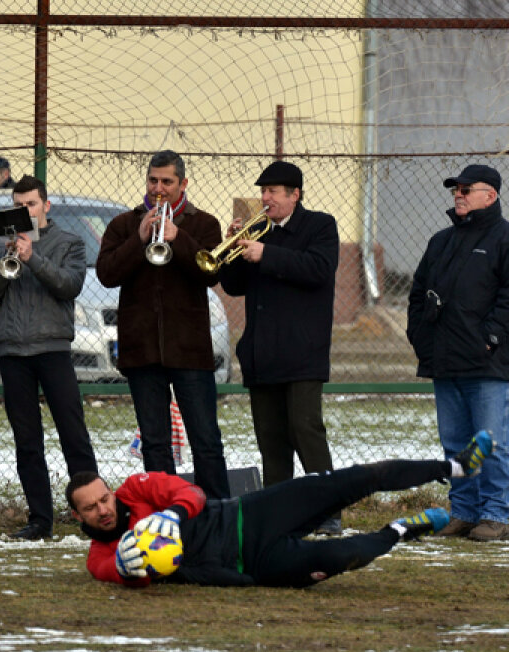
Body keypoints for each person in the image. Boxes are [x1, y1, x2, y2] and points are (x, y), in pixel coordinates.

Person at [66, 435, 488, 587]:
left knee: (348, 479)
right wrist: (127, 569)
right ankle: (400, 530)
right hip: (252, 563)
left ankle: (454, 466)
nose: (104, 509)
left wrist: (173, 514)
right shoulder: (100, 556)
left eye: (104, 498)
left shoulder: (135, 489)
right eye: (92, 509)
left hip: (248, 515)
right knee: (337, 558)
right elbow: (114, 573)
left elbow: (191, 493)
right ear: (78, 517)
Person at [217, 160, 342, 534]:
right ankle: (279, 513)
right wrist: (233, 249)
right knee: (270, 439)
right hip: (262, 352)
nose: (265, 198)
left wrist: (266, 254)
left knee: (306, 430)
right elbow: (236, 286)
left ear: (295, 195)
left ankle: (327, 511)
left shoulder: (320, 226)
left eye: (272, 192)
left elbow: (319, 269)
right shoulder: (261, 232)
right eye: (263, 192)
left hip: (302, 352)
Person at [96, 150, 229, 499]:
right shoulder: (125, 224)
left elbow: (212, 273)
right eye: (153, 180)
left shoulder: (204, 224)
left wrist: (177, 238)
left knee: (206, 439)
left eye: (167, 182)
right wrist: (138, 239)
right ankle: (167, 510)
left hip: (189, 349)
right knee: (155, 443)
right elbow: (107, 275)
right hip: (142, 349)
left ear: (182, 184)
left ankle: (216, 512)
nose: (159, 189)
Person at [0, 175, 98, 539]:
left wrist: (33, 258)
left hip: (53, 348)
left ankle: (91, 512)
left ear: (45, 206)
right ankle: (39, 520)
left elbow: (69, 285)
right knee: (26, 440)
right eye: (18, 205)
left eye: (30, 204)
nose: (25, 210)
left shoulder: (70, 242)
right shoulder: (3, 245)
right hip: (12, 349)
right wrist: (7, 260)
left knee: (72, 434)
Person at [408, 163, 509, 541]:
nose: (458, 195)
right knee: (455, 445)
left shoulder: (503, 239)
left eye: (467, 189)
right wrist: (420, 336)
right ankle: (464, 513)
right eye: (456, 189)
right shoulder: (440, 241)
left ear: (491, 195)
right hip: (444, 360)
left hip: (486, 363)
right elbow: (418, 293)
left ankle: (497, 514)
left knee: (491, 443)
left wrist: (492, 337)